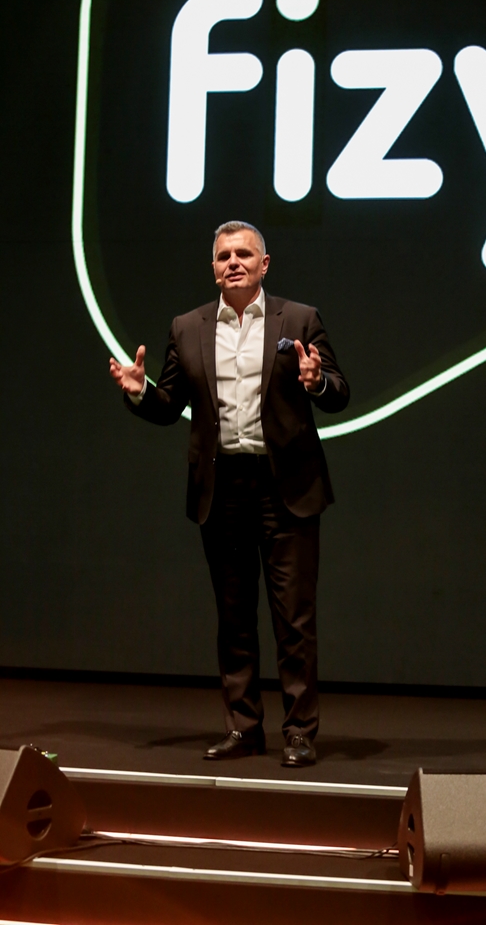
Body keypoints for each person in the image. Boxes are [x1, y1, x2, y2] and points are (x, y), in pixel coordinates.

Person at [109, 221, 349, 766]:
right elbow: (170, 405)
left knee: (294, 620)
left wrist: (316, 382)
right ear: (213, 268)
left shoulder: (300, 319)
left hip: (286, 487)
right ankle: (243, 728)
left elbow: (339, 392)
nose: (233, 262)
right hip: (223, 488)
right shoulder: (187, 326)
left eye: (244, 253)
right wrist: (141, 391)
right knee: (233, 616)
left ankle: (299, 731)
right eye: (223, 256)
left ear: (265, 264)